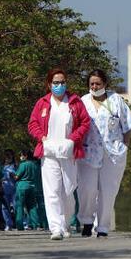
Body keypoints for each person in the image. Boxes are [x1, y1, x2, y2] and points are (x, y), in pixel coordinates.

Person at [27, 68, 91, 240]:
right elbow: (32, 124)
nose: (59, 85)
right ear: (49, 84)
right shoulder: (42, 103)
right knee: (52, 191)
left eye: (62, 82)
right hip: (49, 152)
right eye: (56, 83)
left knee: (68, 192)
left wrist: (73, 139)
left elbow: (85, 123)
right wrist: (42, 138)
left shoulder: (75, 102)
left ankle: (66, 222)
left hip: (69, 151)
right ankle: (56, 228)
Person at [77, 69, 131, 238]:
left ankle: (103, 227)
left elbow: (128, 125)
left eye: (98, 83)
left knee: (108, 190)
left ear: (105, 84)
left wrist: (125, 145)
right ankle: (87, 220)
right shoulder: (83, 102)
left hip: (113, 153)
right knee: (87, 188)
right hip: (89, 152)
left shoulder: (116, 100)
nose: (95, 86)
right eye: (92, 84)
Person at [14, 150, 41, 230]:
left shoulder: (23, 164)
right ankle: (36, 225)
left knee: (20, 206)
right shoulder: (35, 165)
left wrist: (12, 175)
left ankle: (19, 226)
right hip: (32, 187)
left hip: (22, 186)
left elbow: (17, 177)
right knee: (32, 206)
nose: (20, 157)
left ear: (26, 156)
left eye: (21, 155)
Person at [0, 149, 18, 231]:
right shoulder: (1, 166)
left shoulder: (16, 165)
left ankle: (22, 224)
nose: (7, 157)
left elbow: (17, 176)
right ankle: (8, 224)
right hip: (4, 188)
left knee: (16, 206)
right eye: (6, 155)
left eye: (9, 155)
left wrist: (13, 174)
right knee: (4, 207)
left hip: (14, 188)